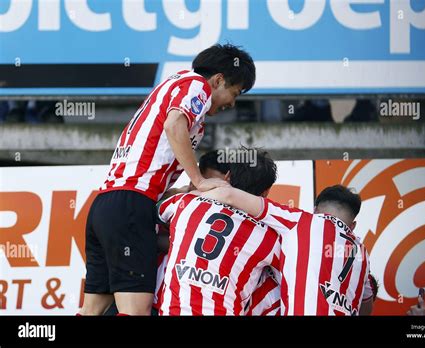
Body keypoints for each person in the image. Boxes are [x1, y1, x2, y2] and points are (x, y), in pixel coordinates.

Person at [80, 44, 256, 316]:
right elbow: (174, 124)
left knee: (93, 309)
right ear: (219, 80)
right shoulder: (197, 85)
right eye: (235, 93)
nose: (232, 103)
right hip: (131, 204)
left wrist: (182, 189)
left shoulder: (174, 86)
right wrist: (198, 180)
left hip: (105, 204)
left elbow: (156, 156)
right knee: (135, 310)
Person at [200, 184, 372, 315]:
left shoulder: (303, 221)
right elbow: (366, 304)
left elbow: (229, 196)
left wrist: (195, 190)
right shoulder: (363, 253)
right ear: (353, 225)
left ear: (315, 210)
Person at [156, 148, 280, 315]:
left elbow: (155, 211)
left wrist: (190, 191)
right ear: (266, 193)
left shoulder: (185, 202)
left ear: (227, 177)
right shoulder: (269, 237)